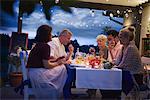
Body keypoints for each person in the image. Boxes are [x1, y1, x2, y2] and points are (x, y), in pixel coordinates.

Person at [26, 25, 66, 99]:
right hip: (37, 75)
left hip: (32, 72)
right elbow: (47, 65)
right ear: (46, 35)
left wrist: (56, 60)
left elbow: (42, 61)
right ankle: (59, 90)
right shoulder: (45, 46)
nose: (52, 35)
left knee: (61, 67)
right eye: (50, 33)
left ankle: (58, 90)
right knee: (63, 68)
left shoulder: (38, 45)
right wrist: (58, 63)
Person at [47, 29, 74, 98]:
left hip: (56, 66)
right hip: (49, 68)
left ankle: (67, 92)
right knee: (70, 71)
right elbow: (50, 58)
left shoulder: (62, 45)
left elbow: (65, 59)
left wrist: (70, 52)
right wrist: (63, 62)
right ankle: (66, 93)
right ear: (62, 36)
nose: (69, 40)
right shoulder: (54, 42)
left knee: (71, 69)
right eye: (68, 38)